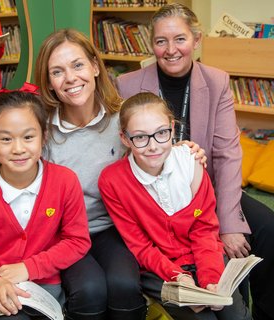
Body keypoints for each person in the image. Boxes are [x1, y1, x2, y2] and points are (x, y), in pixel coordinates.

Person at [0, 28, 205, 320]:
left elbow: (154, 145)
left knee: (124, 284)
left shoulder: (122, 118)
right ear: (49, 83)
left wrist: (184, 153)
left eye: (78, 65)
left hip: (116, 228)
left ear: (94, 66)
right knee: (89, 289)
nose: (71, 78)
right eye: (58, 72)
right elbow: (15, 159)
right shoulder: (41, 129)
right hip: (60, 233)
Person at [115, 4, 274, 320]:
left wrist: (229, 223)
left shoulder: (217, 80)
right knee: (213, 244)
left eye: (180, 39)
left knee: (268, 229)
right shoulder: (128, 84)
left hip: (208, 187)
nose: (171, 50)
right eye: (161, 41)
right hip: (158, 191)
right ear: (152, 44)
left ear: (196, 39)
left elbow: (228, 154)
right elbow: (126, 146)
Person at [98, 92, 251, 320]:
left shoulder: (191, 163)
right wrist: (177, 276)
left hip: (206, 256)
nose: (153, 146)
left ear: (171, 128)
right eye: (140, 137)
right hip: (159, 269)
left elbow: (204, 230)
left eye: (161, 133)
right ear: (124, 138)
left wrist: (211, 278)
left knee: (235, 315)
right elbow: (140, 246)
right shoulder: (112, 181)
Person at [0, 89, 91, 319]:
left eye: (28, 137)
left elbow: (77, 240)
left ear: (44, 136)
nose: (18, 148)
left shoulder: (65, 181)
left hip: (45, 289)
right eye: (5, 139)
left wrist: (29, 268)